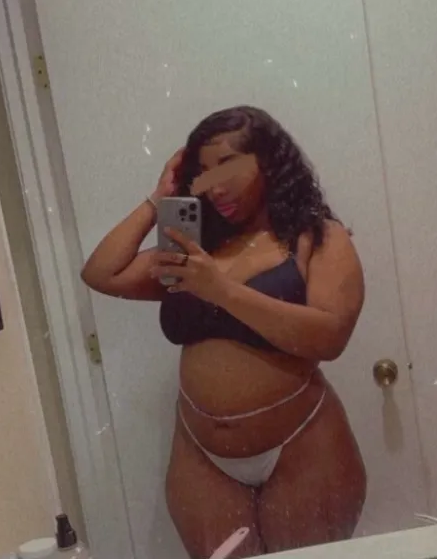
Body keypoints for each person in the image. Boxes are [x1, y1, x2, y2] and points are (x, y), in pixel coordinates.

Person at [82, 106, 366, 559]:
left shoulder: (317, 238)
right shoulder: (193, 250)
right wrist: (157, 200)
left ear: (268, 162)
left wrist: (222, 290)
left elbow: (331, 336)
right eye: (203, 173)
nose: (214, 186)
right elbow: (101, 273)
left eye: (228, 166)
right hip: (202, 458)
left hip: (301, 445)